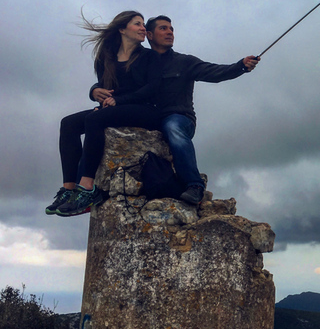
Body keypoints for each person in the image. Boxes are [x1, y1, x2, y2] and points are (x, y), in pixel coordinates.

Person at [48, 11, 162, 217]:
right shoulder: (106, 57)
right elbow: (103, 87)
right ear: (122, 29)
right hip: (115, 108)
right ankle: (69, 189)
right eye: (137, 24)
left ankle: (87, 188)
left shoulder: (149, 56)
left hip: (145, 110)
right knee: (68, 123)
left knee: (95, 119)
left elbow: (153, 88)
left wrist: (119, 100)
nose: (143, 28)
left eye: (143, 24)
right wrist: (94, 92)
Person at [143, 15, 258, 205]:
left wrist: (241, 66)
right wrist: (96, 92)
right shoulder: (141, 62)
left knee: (173, 127)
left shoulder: (185, 61)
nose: (170, 32)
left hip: (180, 118)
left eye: (171, 29)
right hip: (150, 116)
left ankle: (195, 185)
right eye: (163, 28)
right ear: (149, 35)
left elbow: (215, 72)